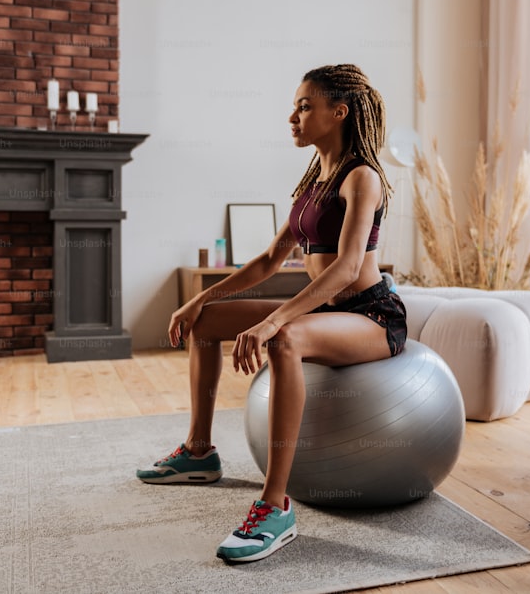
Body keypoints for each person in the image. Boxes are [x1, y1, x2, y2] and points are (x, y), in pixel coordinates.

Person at [136, 64, 407, 563]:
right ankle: (199, 452)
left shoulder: (362, 178)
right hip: (324, 308)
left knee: (285, 341)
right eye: (296, 106)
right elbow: (267, 261)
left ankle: (275, 504)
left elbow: (347, 269)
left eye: (305, 106)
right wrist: (202, 299)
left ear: (339, 112)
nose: (293, 117)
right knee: (207, 322)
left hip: (370, 317)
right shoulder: (312, 183)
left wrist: (274, 320)